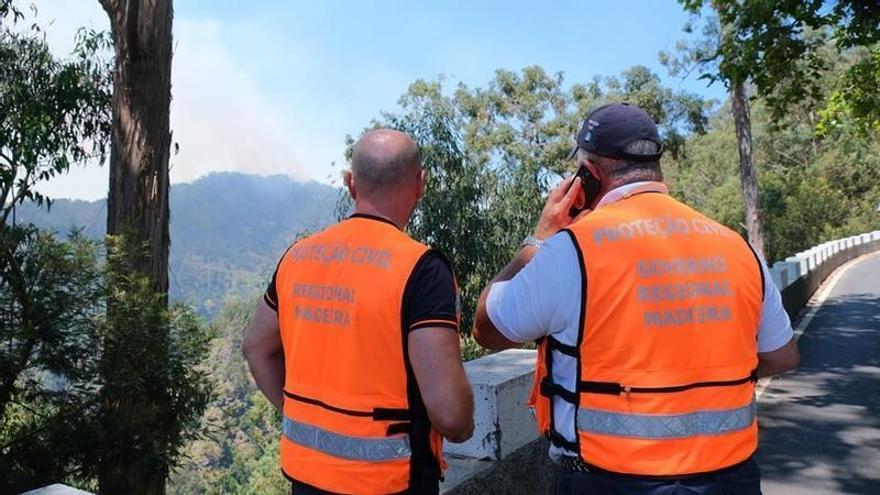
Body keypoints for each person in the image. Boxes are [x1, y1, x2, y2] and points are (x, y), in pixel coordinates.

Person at [472, 103, 799, 494]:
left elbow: (487, 329)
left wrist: (538, 240)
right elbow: (782, 356)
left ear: (588, 176)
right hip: (730, 478)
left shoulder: (571, 250)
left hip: (610, 481)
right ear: (655, 165)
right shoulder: (736, 246)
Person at [242, 129, 474, 495]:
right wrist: (464, 424)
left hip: (306, 476)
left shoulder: (297, 257)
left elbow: (256, 347)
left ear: (350, 183)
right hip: (387, 482)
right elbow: (452, 417)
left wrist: (299, 415)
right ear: (421, 184)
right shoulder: (422, 270)